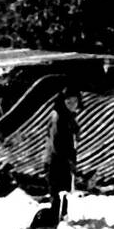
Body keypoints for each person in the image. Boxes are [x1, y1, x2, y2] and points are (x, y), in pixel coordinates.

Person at [44, 89, 80, 219]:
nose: (72, 104)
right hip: (56, 159)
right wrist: (68, 159)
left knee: (62, 191)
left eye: (75, 101)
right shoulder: (58, 117)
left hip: (62, 158)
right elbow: (56, 141)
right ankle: (57, 218)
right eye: (69, 102)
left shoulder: (67, 116)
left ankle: (62, 216)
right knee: (57, 191)